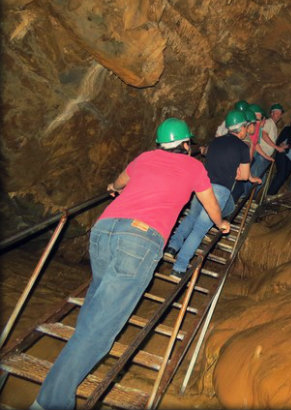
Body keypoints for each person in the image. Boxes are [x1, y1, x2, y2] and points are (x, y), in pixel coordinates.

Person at [30, 118, 230, 410]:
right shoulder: (194, 166)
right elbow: (210, 203)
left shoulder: (145, 158)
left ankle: (70, 363)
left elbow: (119, 182)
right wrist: (221, 223)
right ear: (186, 144)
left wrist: (112, 186)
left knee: (96, 306)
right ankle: (50, 402)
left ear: (161, 144)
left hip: (104, 231)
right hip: (139, 240)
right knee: (101, 329)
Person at [164, 109, 260, 278]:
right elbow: (244, 176)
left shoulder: (215, 141)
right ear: (242, 128)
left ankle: (172, 247)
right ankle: (179, 267)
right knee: (200, 229)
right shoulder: (242, 147)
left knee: (191, 218)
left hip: (201, 186)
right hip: (219, 191)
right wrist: (240, 174)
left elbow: (205, 152)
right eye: (245, 126)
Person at [248, 103, 286, 188]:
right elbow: (264, 135)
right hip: (261, 155)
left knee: (261, 179)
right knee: (255, 177)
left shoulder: (273, 126)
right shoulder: (269, 122)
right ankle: (245, 197)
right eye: (277, 113)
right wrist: (277, 148)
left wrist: (279, 145)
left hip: (265, 155)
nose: (279, 115)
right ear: (271, 114)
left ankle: (251, 198)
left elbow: (268, 139)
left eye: (280, 113)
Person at [267, 111, 291, 195]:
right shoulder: (287, 129)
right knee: (281, 175)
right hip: (284, 155)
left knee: (283, 177)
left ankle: (272, 194)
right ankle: (269, 195)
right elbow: (280, 141)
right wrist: (282, 145)